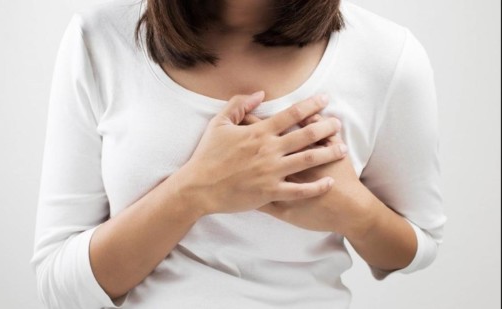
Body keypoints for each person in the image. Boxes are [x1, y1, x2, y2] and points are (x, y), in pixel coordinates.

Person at [30, 0, 447, 308]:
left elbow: (419, 246)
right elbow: (59, 285)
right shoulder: (100, 38)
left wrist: (352, 209)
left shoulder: (386, 54)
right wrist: (195, 191)